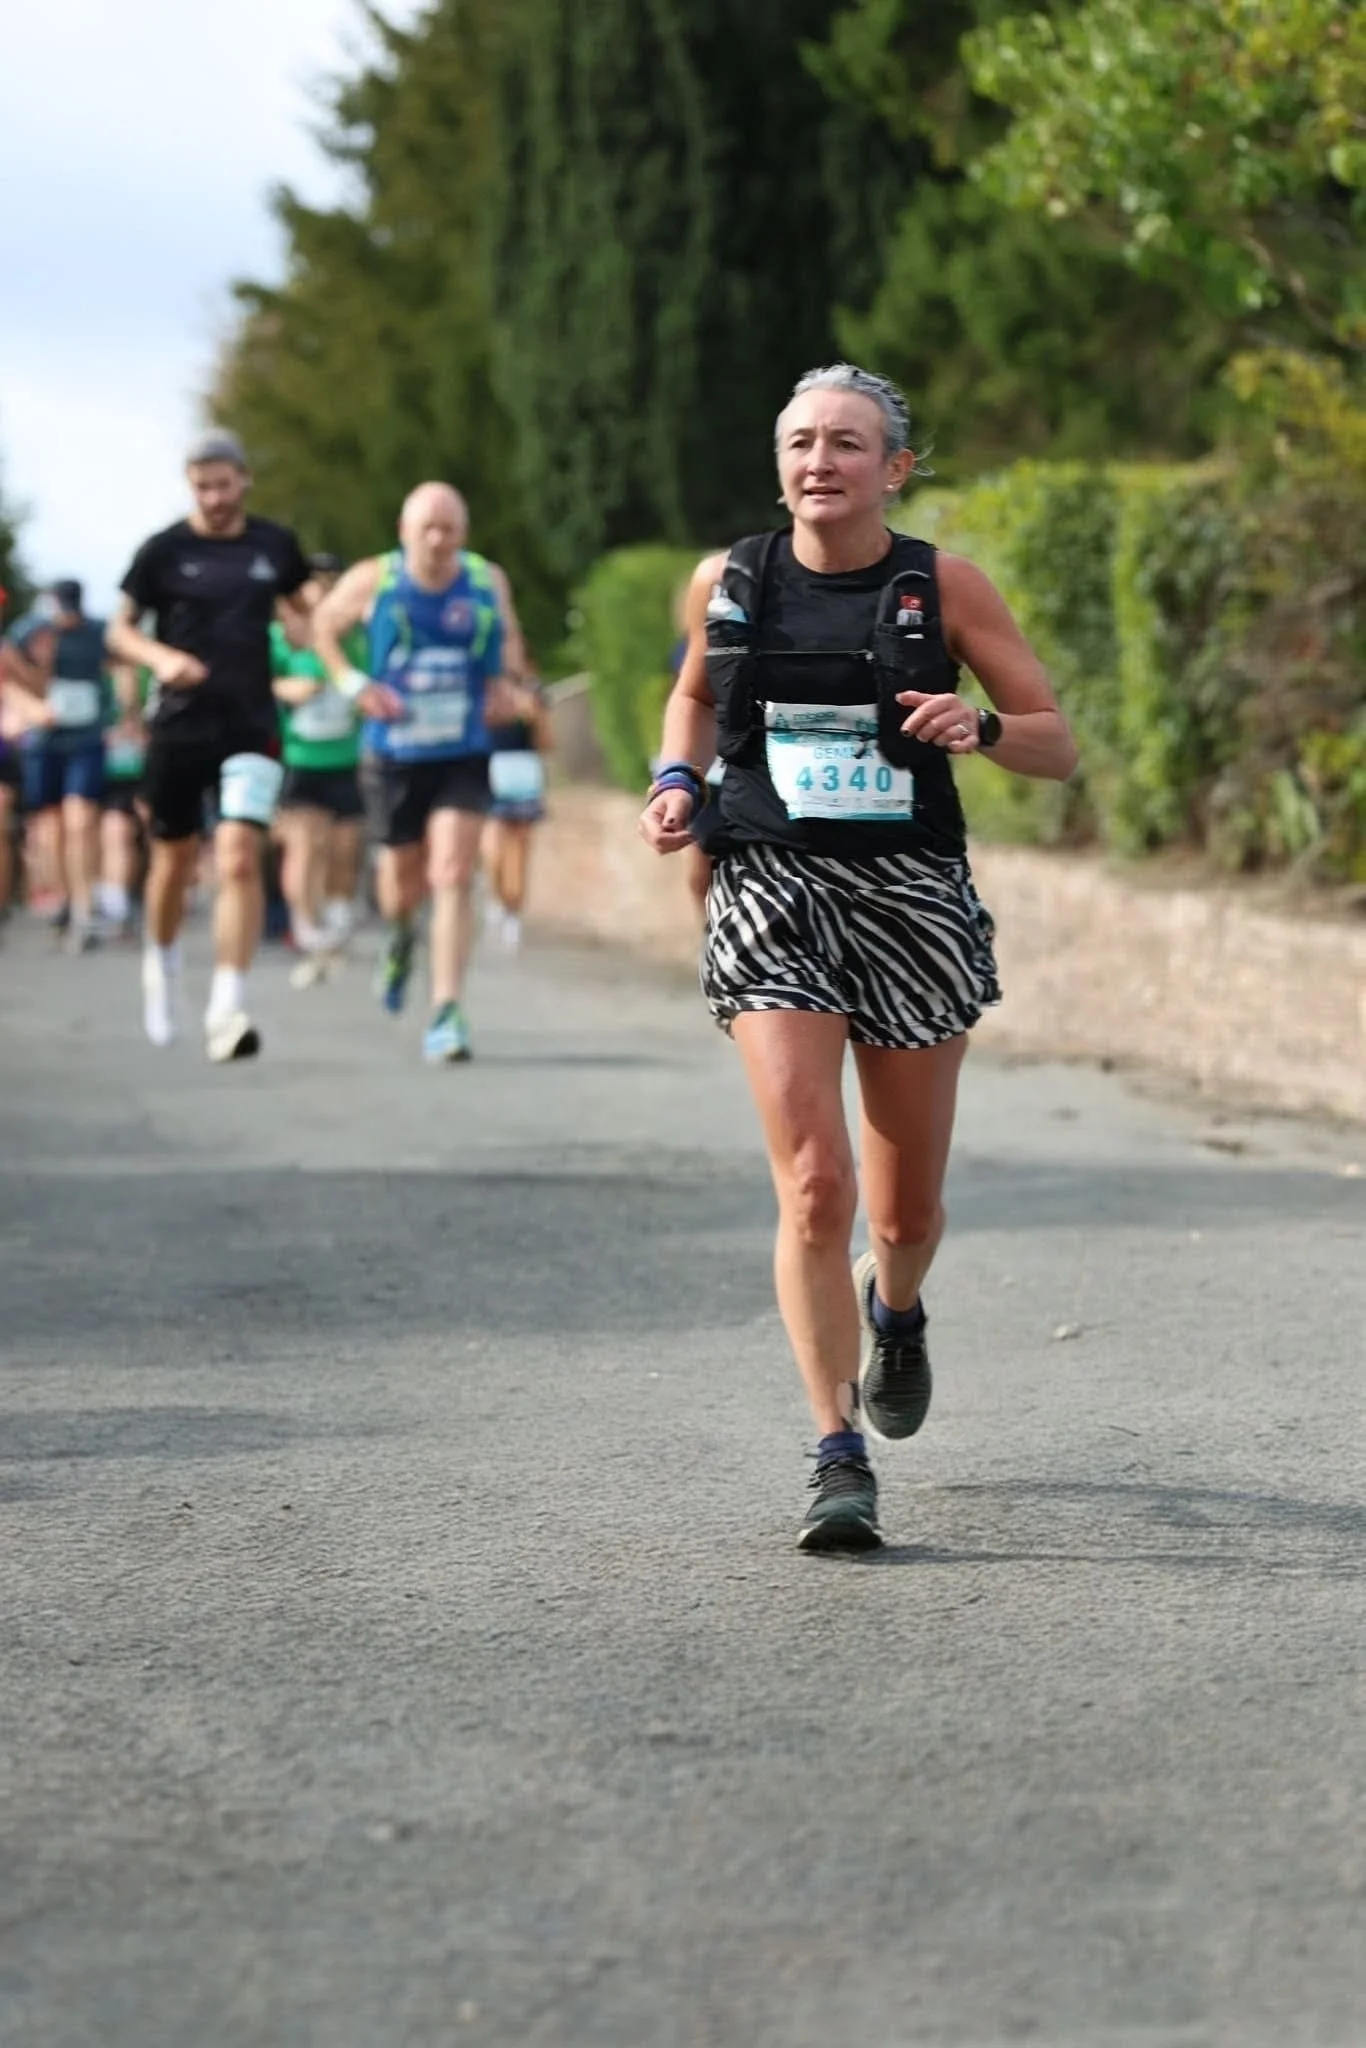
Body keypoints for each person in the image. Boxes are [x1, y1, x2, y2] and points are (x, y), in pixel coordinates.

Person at [640, 363, 1078, 1552]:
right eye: (798, 441)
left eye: (845, 441)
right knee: (814, 1185)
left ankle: (898, 1308)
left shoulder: (942, 584)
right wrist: (676, 780)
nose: (817, 461)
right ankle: (835, 1452)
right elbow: (690, 695)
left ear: (895, 466)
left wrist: (978, 727)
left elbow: (1056, 741)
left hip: (909, 895)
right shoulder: (726, 577)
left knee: (903, 1208)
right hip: (770, 884)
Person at [106, 429, 312, 1058]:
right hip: (179, 724)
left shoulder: (274, 544)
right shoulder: (163, 551)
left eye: (223, 484)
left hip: (250, 724)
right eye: (201, 486)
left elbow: (305, 612)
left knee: (240, 857)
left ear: (244, 480)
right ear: (189, 485)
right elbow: (120, 630)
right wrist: (160, 656)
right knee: (172, 859)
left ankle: (228, 1002)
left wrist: (309, 630)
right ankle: (161, 962)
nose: (214, 498)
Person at [312, 482, 534, 1063]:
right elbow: (322, 629)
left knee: (453, 871)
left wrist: (509, 686)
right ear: (404, 531)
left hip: (462, 747)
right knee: (400, 880)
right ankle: (400, 933)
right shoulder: (374, 580)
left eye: (450, 530)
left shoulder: (487, 580)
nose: (439, 541)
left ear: (463, 533)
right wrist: (353, 683)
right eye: (427, 529)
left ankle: (445, 1010)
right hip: (393, 752)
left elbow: (509, 642)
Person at [270, 553, 365, 988]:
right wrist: (293, 689)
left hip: (346, 757)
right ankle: (307, 929)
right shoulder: (280, 638)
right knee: (306, 845)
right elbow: (258, 679)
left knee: (344, 849)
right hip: (301, 759)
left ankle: (337, 920)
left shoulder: (355, 640)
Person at [3, 581, 109, 948]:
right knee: (51, 828)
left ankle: (85, 907)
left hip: (86, 739)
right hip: (45, 742)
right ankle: (64, 897)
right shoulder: (29, 632)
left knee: (80, 820)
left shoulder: (98, 632)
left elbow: (120, 666)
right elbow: (9, 678)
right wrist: (32, 699)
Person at [482, 668, 552, 952]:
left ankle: (513, 911)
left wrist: (535, 719)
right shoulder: (484, 694)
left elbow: (547, 743)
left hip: (523, 776)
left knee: (519, 850)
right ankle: (497, 898)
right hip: (490, 775)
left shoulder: (533, 697)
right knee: (493, 851)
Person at [97, 661, 151, 939]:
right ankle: (116, 905)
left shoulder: (149, 676)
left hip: (146, 771)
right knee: (117, 833)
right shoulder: (96, 678)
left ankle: (134, 899)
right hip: (111, 774)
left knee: (145, 835)